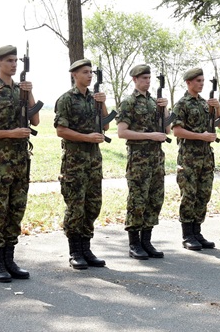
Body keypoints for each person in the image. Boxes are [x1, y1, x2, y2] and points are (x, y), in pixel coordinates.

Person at [0, 45, 38, 282]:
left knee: (15, 212)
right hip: (0, 164)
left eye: (16, 61)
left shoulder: (20, 92)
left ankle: (9, 260)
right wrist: (12, 133)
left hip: (21, 162)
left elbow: (35, 119)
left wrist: (29, 93)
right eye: (9, 61)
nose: (14, 64)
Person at [54, 59, 112, 269]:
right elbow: (61, 130)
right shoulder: (67, 99)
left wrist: (102, 103)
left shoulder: (94, 98)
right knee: (76, 206)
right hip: (75, 161)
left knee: (93, 204)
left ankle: (86, 248)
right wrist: (87, 138)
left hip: (94, 161)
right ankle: (75, 251)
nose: (89, 76)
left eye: (91, 73)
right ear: (74, 75)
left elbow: (105, 123)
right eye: (85, 72)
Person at [116, 64, 169, 259]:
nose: (147, 81)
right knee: (137, 199)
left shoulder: (155, 103)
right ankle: (134, 243)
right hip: (139, 158)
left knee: (154, 199)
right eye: (143, 78)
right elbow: (122, 132)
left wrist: (164, 110)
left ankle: (146, 241)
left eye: (149, 78)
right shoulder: (129, 102)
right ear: (135, 80)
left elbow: (166, 131)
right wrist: (151, 135)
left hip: (156, 158)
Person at [171, 67, 220, 250]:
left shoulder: (205, 103)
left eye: (202, 81)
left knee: (203, 194)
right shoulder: (182, 104)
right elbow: (176, 130)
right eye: (198, 81)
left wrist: (217, 107)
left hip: (206, 157)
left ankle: (197, 231)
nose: (201, 84)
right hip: (189, 156)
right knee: (189, 195)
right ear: (189, 82)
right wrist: (201, 136)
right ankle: (187, 234)